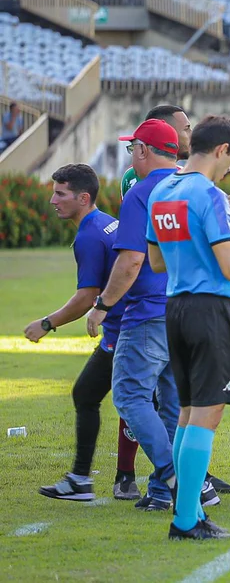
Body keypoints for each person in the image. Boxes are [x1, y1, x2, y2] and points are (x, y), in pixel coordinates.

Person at [146, 115, 230, 540]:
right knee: (206, 415)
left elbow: (156, 261)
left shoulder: (162, 190)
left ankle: (188, 508)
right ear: (221, 150)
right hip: (211, 310)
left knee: (187, 410)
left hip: (175, 306)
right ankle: (186, 520)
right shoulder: (208, 194)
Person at [86, 119, 187, 511]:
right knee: (172, 404)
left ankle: (171, 477)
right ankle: (162, 493)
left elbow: (130, 260)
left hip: (148, 312)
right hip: (188, 310)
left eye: (133, 149)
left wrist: (102, 306)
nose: (133, 156)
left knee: (129, 395)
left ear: (144, 150)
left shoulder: (141, 192)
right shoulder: (194, 188)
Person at [31, 164, 134, 502]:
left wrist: (47, 324)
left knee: (109, 400)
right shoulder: (108, 222)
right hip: (133, 326)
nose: (53, 200)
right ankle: (85, 479)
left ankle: (183, 481)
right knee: (102, 397)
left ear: (83, 197)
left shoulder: (89, 235)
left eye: (61, 194)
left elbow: (86, 297)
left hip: (124, 332)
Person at [120, 105, 192, 198]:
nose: (192, 134)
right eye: (186, 129)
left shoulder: (188, 178)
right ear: (167, 132)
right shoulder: (131, 176)